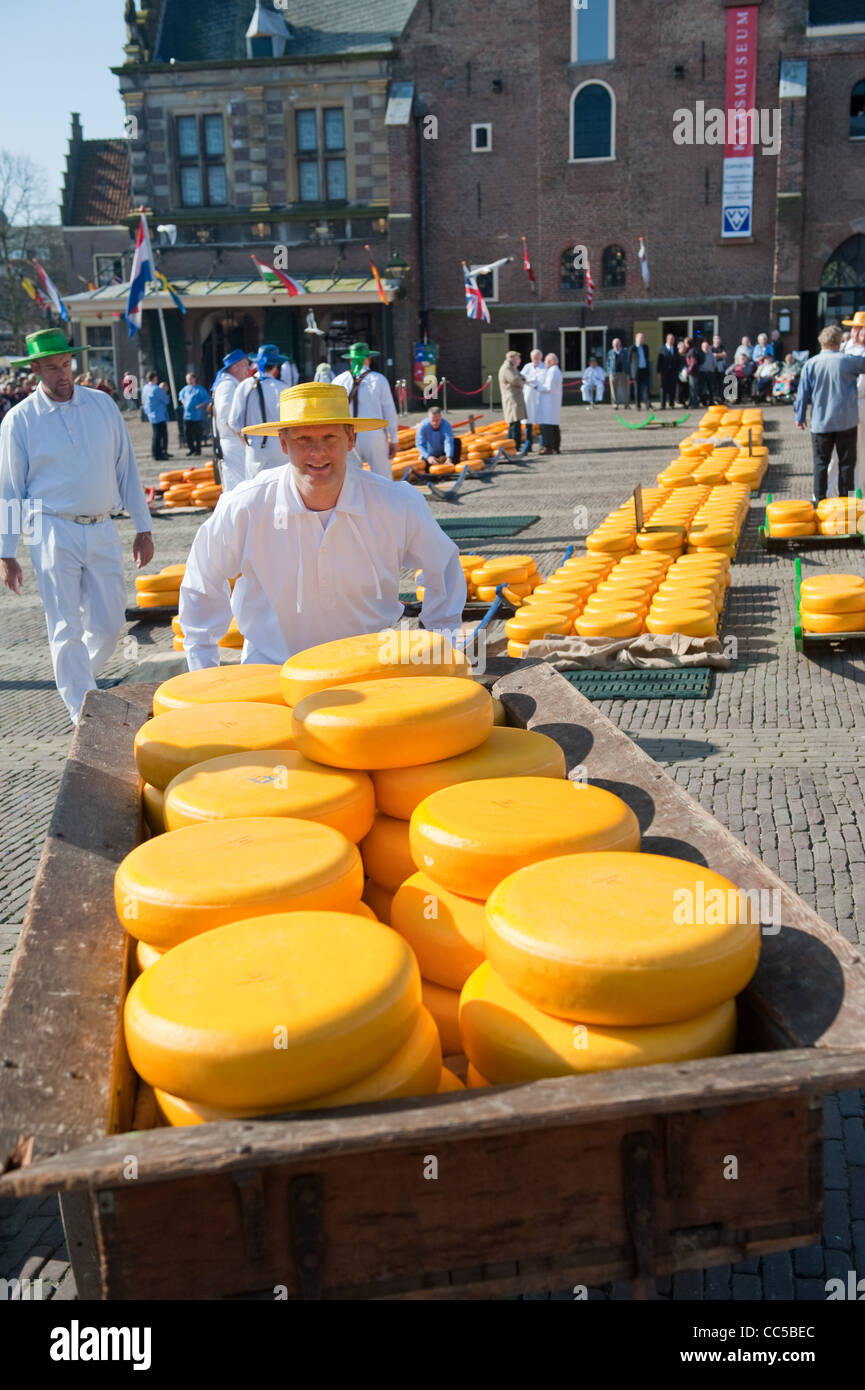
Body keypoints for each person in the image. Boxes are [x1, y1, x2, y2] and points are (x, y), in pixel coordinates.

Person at [178, 382, 466, 668]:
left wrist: (444, 649)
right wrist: (204, 671)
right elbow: (201, 581)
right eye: (303, 439)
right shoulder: (246, 506)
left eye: (330, 437)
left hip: (374, 675)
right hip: (271, 674)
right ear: (283, 442)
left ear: (350, 438)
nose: (318, 452)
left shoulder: (397, 504)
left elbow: (443, 568)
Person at [0, 328, 154, 724]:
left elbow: (126, 467)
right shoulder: (19, 421)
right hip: (50, 529)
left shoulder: (102, 405)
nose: (62, 373)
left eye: (66, 364)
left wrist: (143, 525)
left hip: (103, 525)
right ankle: (83, 713)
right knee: (65, 625)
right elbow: (10, 490)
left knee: (110, 624)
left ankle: (75, 676)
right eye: (51, 367)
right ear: (35, 369)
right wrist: (7, 552)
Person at [794, 324, 865, 504]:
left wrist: (800, 417)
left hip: (821, 423)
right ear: (840, 341)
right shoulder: (848, 361)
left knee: (820, 464)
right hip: (846, 421)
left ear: (821, 342)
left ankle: (819, 504)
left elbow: (802, 394)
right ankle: (847, 507)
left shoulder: (811, 364)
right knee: (847, 466)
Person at [332, 342, 399, 479]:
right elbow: (389, 412)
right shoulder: (379, 380)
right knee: (383, 479)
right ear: (368, 359)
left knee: (350, 480)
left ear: (351, 360)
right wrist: (394, 439)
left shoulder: (338, 380)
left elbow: (332, 411)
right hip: (374, 435)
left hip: (347, 435)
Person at [228, 345, 287, 480]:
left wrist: (246, 440)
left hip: (255, 446)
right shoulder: (284, 388)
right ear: (276, 367)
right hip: (281, 446)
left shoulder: (244, 386)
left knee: (256, 488)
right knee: (280, 486)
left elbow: (233, 422)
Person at [211, 348, 253, 492]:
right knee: (238, 487)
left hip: (235, 442)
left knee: (240, 485)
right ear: (234, 367)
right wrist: (241, 437)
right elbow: (225, 415)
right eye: (245, 365)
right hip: (233, 443)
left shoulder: (232, 384)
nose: (249, 369)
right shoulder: (228, 385)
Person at [415, 404, 462, 469]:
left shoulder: (446, 425)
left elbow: (448, 442)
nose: (435, 423)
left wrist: (449, 457)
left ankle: (452, 464)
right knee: (427, 469)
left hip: (443, 451)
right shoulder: (423, 426)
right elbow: (420, 444)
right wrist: (428, 457)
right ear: (429, 418)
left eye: (437, 420)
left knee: (456, 441)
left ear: (440, 417)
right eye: (432, 420)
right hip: (429, 452)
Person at [497, 349, 526, 450]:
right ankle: (514, 446)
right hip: (512, 399)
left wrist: (522, 379)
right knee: (514, 423)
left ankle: (513, 446)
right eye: (518, 358)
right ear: (513, 358)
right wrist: (522, 381)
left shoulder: (512, 368)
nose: (520, 360)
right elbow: (515, 380)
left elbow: (520, 377)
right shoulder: (507, 368)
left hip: (515, 398)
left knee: (516, 423)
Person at [141, 370, 171, 461]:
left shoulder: (145, 388)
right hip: (159, 414)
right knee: (159, 436)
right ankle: (158, 454)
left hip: (151, 413)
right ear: (155, 378)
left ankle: (155, 453)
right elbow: (166, 400)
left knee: (155, 435)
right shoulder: (156, 389)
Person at [178, 372, 211, 457]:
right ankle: (191, 449)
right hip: (187, 415)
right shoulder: (185, 389)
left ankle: (198, 450)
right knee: (188, 433)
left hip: (197, 415)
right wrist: (183, 401)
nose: (188, 380)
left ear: (194, 379)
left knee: (197, 434)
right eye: (187, 379)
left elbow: (207, 399)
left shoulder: (199, 389)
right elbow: (181, 396)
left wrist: (200, 405)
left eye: (190, 378)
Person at [537, 352, 563, 454]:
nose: (545, 362)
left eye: (547, 360)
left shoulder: (553, 371)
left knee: (547, 425)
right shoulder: (555, 371)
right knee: (554, 425)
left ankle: (548, 447)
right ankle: (555, 446)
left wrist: (536, 387)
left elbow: (549, 387)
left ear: (552, 361)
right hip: (552, 402)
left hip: (548, 402)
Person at [520, 348, 545, 449]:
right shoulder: (527, 367)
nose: (536, 360)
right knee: (528, 421)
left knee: (541, 421)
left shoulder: (544, 367)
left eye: (538, 358)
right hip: (528, 396)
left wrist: (530, 380)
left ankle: (543, 444)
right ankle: (528, 443)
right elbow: (522, 378)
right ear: (531, 358)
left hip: (539, 397)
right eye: (534, 358)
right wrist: (530, 380)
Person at [628, 332, 651, 409]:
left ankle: (647, 404)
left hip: (644, 370)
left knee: (646, 388)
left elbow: (647, 358)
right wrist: (631, 372)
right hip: (636, 371)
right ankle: (638, 405)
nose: (642, 340)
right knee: (637, 388)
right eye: (640, 338)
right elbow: (629, 360)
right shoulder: (632, 348)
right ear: (636, 339)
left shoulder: (646, 347)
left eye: (643, 338)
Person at [656, 333, 678, 410]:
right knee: (663, 388)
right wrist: (658, 372)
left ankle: (671, 403)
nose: (672, 341)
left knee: (672, 388)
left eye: (673, 339)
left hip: (673, 372)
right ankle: (663, 404)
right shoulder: (662, 348)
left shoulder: (675, 349)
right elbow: (659, 361)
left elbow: (677, 360)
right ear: (667, 339)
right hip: (664, 372)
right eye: (670, 339)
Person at [683, 338, 701, 408]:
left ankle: (694, 404)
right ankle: (691, 403)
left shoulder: (691, 351)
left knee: (693, 388)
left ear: (688, 344)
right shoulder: (691, 350)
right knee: (693, 388)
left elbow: (693, 362)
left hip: (693, 372)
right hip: (693, 372)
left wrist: (688, 371)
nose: (684, 344)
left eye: (685, 342)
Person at [697, 340, 716, 405]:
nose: (706, 347)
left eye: (707, 346)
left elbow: (714, 364)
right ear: (702, 347)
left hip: (710, 373)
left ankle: (711, 401)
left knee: (710, 387)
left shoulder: (711, 355)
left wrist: (712, 370)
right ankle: (702, 401)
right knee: (701, 388)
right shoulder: (700, 354)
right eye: (704, 346)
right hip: (702, 373)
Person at [712, 336, 728, 400]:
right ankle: (714, 397)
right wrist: (720, 355)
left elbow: (725, 355)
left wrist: (716, 355)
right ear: (713, 340)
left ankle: (721, 397)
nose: (718, 341)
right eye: (716, 339)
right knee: (714, 383)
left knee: (721, 383)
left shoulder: (722, 347)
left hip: (721, 368)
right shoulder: (711, 348)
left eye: (719, 339)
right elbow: (712, 356)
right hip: (713, 368)